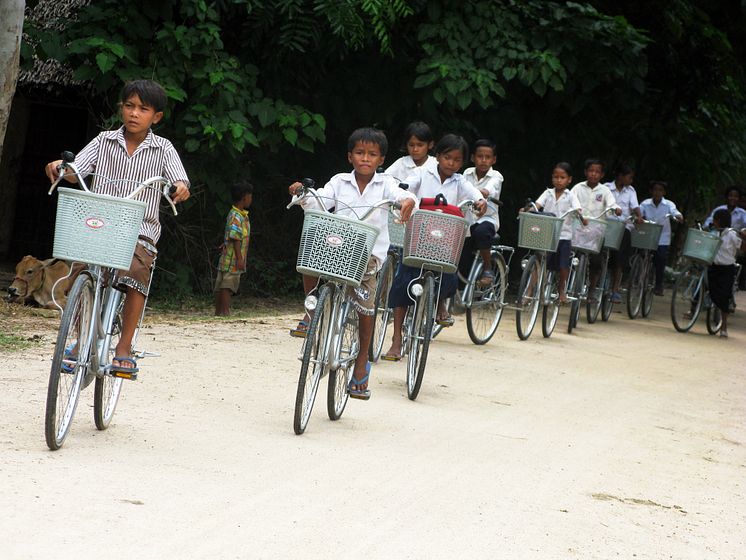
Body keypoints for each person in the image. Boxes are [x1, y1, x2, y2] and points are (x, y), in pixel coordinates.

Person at [44, 79, 190, 376]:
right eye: (129, 106)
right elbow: (75, 172)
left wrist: (179, 188)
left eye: (143, 109)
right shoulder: (103, 141)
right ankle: (80, 336)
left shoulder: (163, 149)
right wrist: (62, 167)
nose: (134, 113)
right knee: (80, 268)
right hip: (98, 224)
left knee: (136, 271)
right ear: (121, 108)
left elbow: (181, 181)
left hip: (140, 229)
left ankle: (123, 347)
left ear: (156, 117)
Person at [287, 127, 416, 399]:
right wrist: (302, 193)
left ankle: (361, 361)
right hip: (338, 244)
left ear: (381, 159)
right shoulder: (339, 181)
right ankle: (311, 311)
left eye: (372, 154)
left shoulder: (386, 184)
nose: (365, 158)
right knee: (310, 254)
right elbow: (319, 202)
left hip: (368, 254)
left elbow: (404, 196)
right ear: (350, 156)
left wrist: (406, 202)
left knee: (365, 308)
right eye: (359, 153)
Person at [383, 134, 486, 361]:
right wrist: (406, 195)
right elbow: (408, 186)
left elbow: (474, 194)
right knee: (404, 280)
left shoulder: (460, 182)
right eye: (447, 157)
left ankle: (440, 304)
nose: (451, 163)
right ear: (437, 156)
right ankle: (396, 338)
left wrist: (480, 202)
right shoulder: (422, 173)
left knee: (448, 269)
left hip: (444, 238)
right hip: (419, 234)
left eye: (457, 160)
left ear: (462, 163)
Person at [523, 162, 586, 303]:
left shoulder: (570, 196)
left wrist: (581, 215)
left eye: (562, 177)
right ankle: (529, 290)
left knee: (564, 265)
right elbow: (537, 206)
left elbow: (577, 209)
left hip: (564, 235)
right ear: (552, 178)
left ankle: (561, 289)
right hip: (547, 233)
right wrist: (529, 210)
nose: (559, 180)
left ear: (569, 179)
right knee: (538, 262)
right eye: (556, 177)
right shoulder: (548, 193)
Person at [570, 159, 620, 298]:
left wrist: (616, 209)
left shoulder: (605, 191)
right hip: (578, 228)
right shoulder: (578, 188)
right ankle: (562, 283)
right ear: (586, 172)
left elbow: (612, 204)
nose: (593, 174)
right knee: (566, 254)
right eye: (591, 171)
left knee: (596, 261)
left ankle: (592, 289)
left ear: (602, 175)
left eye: (597, 172)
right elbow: (570, 199)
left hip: (595, 232)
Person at [459, 139, 503, 286]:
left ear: (494, 160)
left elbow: (489, 189)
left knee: (481, 230)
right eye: (480, 156)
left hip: (488, 220)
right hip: (468, 221)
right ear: (472, 158)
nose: (483, 160)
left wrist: (479, 193)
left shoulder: (496, 176)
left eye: (488, 157)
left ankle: (487, 267)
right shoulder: (466, 173)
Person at [605, 163, 643, 303]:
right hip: (607, 225)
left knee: (619, 260)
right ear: (621, 176)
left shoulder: (631, 191)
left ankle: (615, 289)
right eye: (629, 177)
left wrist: (639, 217)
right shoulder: (606, 188)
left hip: (623, 227)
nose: (631, 181)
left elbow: (635, 207)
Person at [215, 182, 253, 316]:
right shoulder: (237, 216)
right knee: (228, 285)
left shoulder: (237, 214)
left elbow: (231, 234)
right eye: (250, 196)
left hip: (228, 255)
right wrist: (240, 258)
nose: (251, 199)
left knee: (222, 283)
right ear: (244, 197)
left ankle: (219, 312)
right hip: (233, 258)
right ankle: (224, 312)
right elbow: (236, 238)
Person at [707, 209, 746, 338]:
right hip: (714, 267)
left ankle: (724, 326)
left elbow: (741, 248)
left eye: (714, 220)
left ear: (718, 221)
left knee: (724, 297)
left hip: (727, 268)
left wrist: (743, 238)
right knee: (712, 291)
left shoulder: (731, 235)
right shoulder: (713, 233)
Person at [640, 181, 683, 295]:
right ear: (651, 191)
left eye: (660, 190)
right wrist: (637, 217)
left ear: (664, 192)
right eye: (655, 189)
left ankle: (658, 284)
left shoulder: (668, 204)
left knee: (660, 258)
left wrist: (678, 216)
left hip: (662, 237)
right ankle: (639, 275)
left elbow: (675, 212)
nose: (657, 192)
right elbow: (638, 212)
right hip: (648, 235)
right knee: (641, 254)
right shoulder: (645, 204)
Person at [704, 186, 746, 290]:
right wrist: (710, 225)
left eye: (736, 196)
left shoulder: (742, 213)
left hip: (733, 243)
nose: (733, 198)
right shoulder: (719, 209)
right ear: (726, 197)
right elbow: (708, 222)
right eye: (731, 195)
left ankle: (738, 284)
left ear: (739, 199)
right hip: (717, 241)